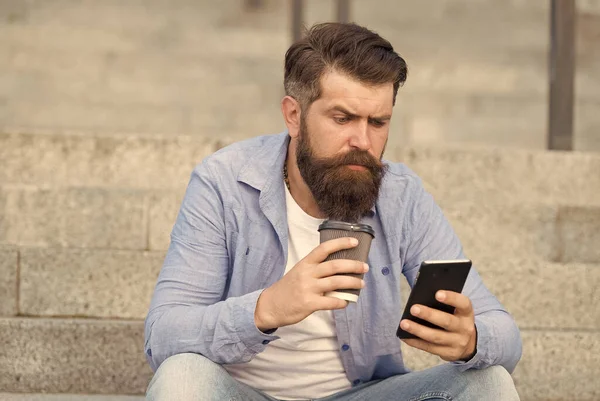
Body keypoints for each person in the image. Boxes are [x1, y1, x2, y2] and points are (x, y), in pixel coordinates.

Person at [144, 22, 522, 401]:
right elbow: (163, 334)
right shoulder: (225, 183)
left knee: (489, 382)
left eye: (378, 122)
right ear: (294, 115)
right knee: (183, 377)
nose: (362, 141)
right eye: (342, 119)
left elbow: (504, 334)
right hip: (240, 394)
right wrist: (268, 307)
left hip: (363, 395)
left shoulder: (401, 196)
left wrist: (471, 339)